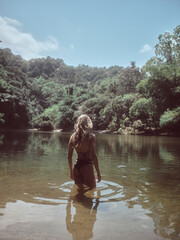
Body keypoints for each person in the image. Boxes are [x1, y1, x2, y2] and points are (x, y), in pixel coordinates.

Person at [68, 114, 101, 189]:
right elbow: (93, 155)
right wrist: (98, 173)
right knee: (92, 190)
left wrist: (71, 171)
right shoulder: (90, 137)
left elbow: (69, 156)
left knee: (79, 193)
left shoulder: (72, 137)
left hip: (77, 167)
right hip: (87, 166)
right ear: (88, 123)